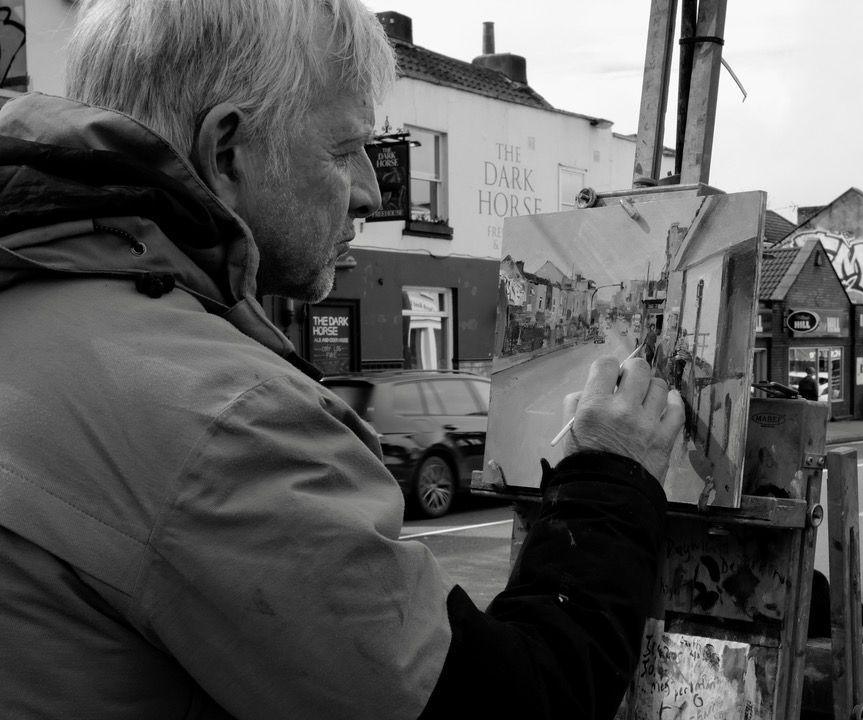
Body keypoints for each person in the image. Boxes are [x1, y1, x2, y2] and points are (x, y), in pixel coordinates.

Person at [0, 1, 683, 718]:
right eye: (343, 149)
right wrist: (611, 479)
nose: (369, 189)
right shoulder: (223, 418)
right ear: (227, 149)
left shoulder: (37, 304)